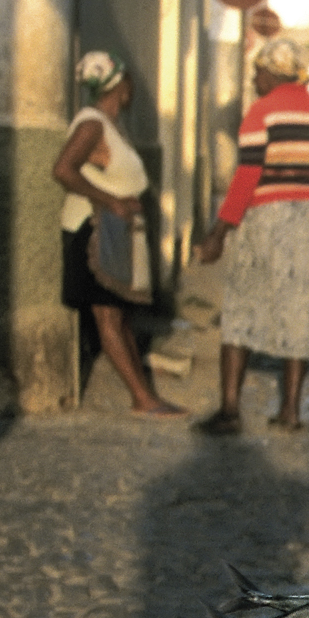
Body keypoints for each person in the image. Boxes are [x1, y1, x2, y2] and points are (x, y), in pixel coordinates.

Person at [193, 37, 309, 434]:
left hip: (268, 219)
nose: (253, 80)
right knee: (301, 312)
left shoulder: (261, 113)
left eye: (257, 73)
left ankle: (231, 411)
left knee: (240, 312)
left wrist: (219, 232)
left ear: (273, 73)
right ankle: (290, 412)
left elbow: (247, 177)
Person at [50, 50, 183, 417]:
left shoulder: (109, 126)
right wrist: (110, 201)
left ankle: (145, 395)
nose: (133, 88)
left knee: (119, 315)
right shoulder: (91, 124)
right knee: (108, 317)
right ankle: (143, 399)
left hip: (113, 230)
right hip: (92, 231)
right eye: (129, 81)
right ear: (120, 86)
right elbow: (63, 170)